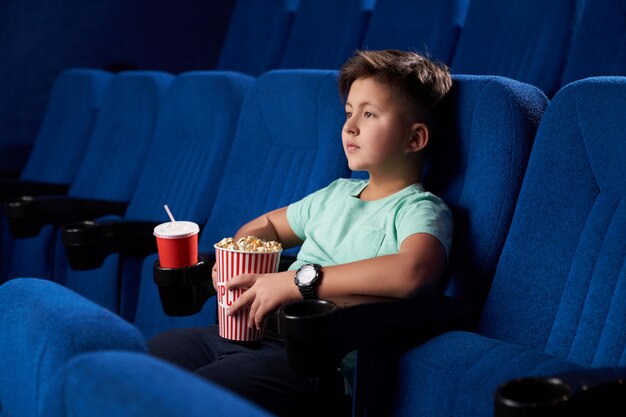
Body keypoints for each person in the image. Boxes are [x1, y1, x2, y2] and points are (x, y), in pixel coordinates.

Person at [148, 50, 454, 417]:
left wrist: (297, 283)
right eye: (348, 112)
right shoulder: (335, 194)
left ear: (414, 139)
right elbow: (270, 225)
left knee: (185, 399)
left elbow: (414, 272)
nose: (350, 126)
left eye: (369, 114)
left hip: (315, 359)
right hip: (252, 335)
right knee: (140, 362)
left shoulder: (417, 208)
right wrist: (242, 258)